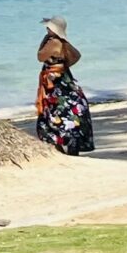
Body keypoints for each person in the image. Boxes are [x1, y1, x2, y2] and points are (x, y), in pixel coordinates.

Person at [34, 16, 94, 153]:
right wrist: (64, 65)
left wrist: (44, 41)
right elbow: (77, 55)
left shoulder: (53, 42)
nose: (46, 29)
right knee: (62, 108)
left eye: (49, 27)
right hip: (62, 75)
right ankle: (70, 144)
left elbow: (40, 56)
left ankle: (60, 144)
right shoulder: (62, 42)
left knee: (52, 109)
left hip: (55, 79)